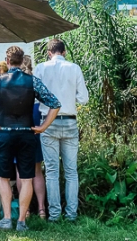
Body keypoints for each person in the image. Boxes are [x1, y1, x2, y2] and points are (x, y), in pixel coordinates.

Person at [0, 45, 61, 232]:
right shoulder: (33, 82)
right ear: (22, 61)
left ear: (7, 61)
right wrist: (43, 127)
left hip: (4, 132)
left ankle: (7, 219)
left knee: (4, 177)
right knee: (27, 177)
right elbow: (55, 104)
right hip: (27, 133)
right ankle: (21, 221)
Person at [34, 38, 89, 222]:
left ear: (49, 52)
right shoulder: (74, 68)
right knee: (71, 171)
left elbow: (35, 96)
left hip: (48, 122)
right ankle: (71, 214)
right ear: (64, 52)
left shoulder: (41, 68)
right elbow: (84, 99)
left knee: (51, 171)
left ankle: (55, 214)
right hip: (70, 121)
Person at [20, 55, 47, 219]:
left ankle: (27, 209)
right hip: (36, 120)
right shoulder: (35, 82)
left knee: (20, 170)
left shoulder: (12, 81)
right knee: (37, 169)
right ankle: (42, 209)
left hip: (20, 121)